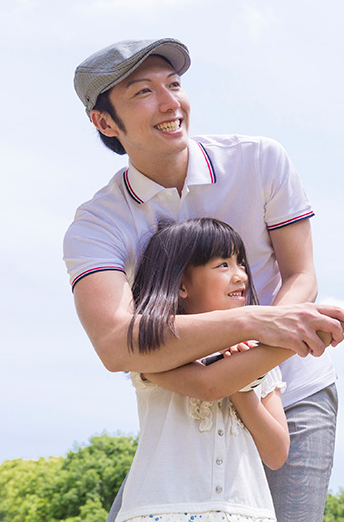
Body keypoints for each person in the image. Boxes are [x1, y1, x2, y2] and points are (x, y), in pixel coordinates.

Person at [63, 38, 344, 522]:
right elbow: (116, 345)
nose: (169, 102)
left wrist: (260, 357)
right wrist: (261, 325)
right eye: (142, 92)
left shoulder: (261, 159)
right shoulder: (96, 225)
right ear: (105, 122)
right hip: (185, 404)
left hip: (292, 392)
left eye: (174, 84)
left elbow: (300, 275)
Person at [119, 217, 293, 522]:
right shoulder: (151, 349)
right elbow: (209, 386)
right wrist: (238, 373)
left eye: (240, 263)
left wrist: (245, 388)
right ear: (182, 284)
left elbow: (277, 453)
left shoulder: (256, 356)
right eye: (222, 265)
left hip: (245, 511)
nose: (240, 275)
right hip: (163, 510)